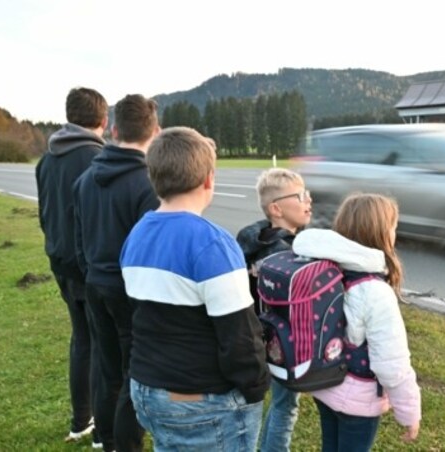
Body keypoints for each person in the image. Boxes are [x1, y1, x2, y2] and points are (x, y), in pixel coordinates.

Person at [120, 126, 270, 451]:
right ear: (208, 179)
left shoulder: (136, 235)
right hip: (199, 400)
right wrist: (256, 386)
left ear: (154, 178)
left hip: (147, 389)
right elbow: (240, 336)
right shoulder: (211, 242)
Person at [292, 193, 421, 452]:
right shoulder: (375, 291)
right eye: (394, 227)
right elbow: (390, 362)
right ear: (381, 233)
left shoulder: (324, 269)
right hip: (358, 400)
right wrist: (409, 412)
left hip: (324, 384)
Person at [73, 94, 160, 452]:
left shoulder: (85, 179)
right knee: (133, 373)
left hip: (95, 282)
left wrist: (92, 272)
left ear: (113, 128)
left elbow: (79, 240)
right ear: (154, 132)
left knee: (107, 367)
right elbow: (152, 249)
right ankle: (125, 445)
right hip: (130, 292)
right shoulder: (148, 183)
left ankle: (106, 440)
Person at [35, 87, 107, 447]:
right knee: (103, 344)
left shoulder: (47, 159)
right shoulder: (98, 158)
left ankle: (81, 421)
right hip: (89, 264)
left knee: (82, 340)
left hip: (59, 260)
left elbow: (44, 213)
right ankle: (101, 432)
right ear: (103, 120)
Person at [235, 168, 312, 452]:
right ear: (276, 208)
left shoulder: (253, 239)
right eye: (301, 195)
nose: (309, 200)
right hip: (283, 344)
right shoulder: (288, 253)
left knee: (270, 405)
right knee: (285, 406)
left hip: (253, 337)